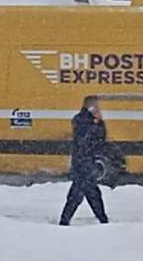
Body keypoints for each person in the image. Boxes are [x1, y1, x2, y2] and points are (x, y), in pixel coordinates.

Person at [59, 95, 110, 226]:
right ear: (90, 107)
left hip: (85, 163)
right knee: (82, 194)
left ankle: (102, 219)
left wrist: (100, 123)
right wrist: (97, 125)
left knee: (86, 193)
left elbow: (100, 139)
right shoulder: (83, 121)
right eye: (97, 107)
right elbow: (86, 141)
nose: (99, 109)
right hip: (83, 163)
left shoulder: (87, 121)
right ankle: (102, 220)